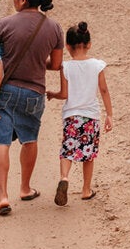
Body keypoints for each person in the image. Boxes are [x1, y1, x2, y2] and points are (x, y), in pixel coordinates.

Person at [0, 0, 63, 216]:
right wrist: (35, 60)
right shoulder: (54, 28)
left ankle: (3, 196)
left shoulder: (5, 24)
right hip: (34, 93)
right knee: (30, 139)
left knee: (1, 141)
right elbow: (55, 64)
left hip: (7, 91)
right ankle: (24, 188)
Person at [46, 21, 113, 206]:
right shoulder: (97, 65)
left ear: (67, 46)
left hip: (71, 116)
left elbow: (65, 94)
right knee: (88, 154)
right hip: (90, 116)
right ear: (89, 44)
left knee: (68, 149)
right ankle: (86, 190)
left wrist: (52, 94)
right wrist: (109, 114)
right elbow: (104, 90)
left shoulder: (65, 67)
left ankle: (65, 178)